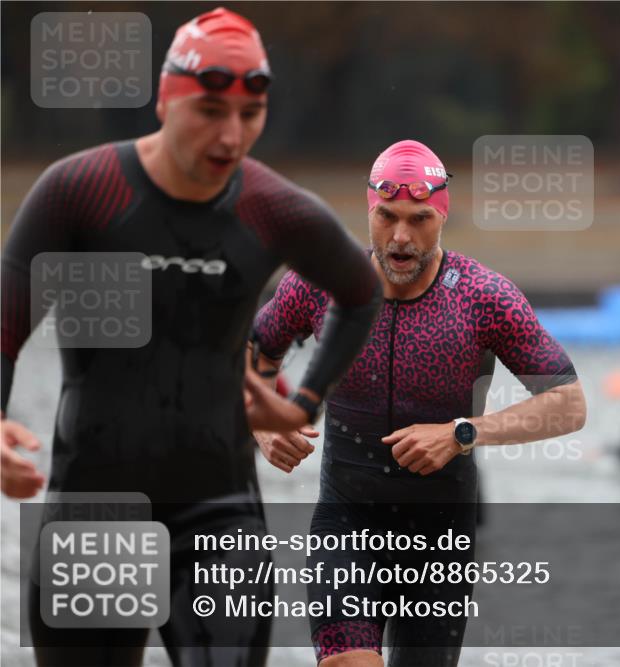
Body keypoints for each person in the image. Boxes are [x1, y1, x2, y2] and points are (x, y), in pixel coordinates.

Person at [0, 8, 381, 666]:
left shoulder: (273, 207)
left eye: (249, 115)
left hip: (220, 510)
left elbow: (361, 291)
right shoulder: (80, 191)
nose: (231, 136)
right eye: (209, 110)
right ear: (165, 99)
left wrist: (305, 401)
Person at [252, 139, 587, 667]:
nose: (402, 237)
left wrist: (463, 433)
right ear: (369, 211)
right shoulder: (321, 286)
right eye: (386, 216)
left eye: (420, 219)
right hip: (347, 520)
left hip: (440, 536)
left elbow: (569, 403)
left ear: (442, 218)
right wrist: (263, 424)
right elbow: (248, 356)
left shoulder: (483, 297)